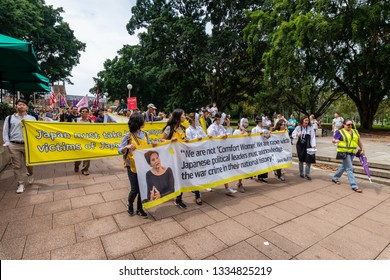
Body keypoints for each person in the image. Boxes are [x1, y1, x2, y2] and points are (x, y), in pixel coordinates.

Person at [118, 113, 152, 218]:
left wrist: (154, 145)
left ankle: (140, 208)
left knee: (143, 187)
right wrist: (127, 147)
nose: (145, 122)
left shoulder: (145, 134)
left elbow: (149, 146)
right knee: (135, 189)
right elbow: (119, 150)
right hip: (131, 166)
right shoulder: (128, 136)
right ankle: (130, 203)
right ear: (138, 122)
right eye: (143, 120)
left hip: (144, 166)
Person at [2, 99, 36, 193]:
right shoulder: (9, 118)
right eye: (19, 104)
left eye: (24, 105)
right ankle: (20, 183)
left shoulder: (32, 119)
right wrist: (8, 144)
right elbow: (5, 131)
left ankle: (30, 174)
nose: (21, 106)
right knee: (16, 166)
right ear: (16, 106)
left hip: (27, 145)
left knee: (29, 163)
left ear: (27, 107)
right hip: (14, 145)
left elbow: (36, 132)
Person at [161, 108, 188, 208]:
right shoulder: (170, 128)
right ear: (178, 117)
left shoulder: (183, 128)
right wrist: (170, 140)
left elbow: (183, 140)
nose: (185, 116)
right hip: (172, 157)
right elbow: (161, 140)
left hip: (182, 156)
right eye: (183, 115)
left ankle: (179, 199)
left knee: (181, 177)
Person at [207, 112, 237, 194]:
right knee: (213, 169)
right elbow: (210, 138)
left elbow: (228, 134)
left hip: (222, 151)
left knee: (224, 169)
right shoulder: (211, 127)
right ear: (217, 119)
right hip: (214, 152)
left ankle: (227, 188)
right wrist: (220, 137)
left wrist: (228, 127)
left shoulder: (221, 126)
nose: (223, 121)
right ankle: (208, 185)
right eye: (222, 119)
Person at [331, 119, 364, 193]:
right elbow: (333, 140)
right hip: (344, 152)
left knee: (343, 166)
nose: (350, 126)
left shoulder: (355, 131)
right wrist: (336, 141)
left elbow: (359, 141)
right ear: (344, 125)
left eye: (351, 124)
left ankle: (335, 178)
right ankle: (354, 186)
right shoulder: (340, 132)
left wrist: (362, 149)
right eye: (348, 124)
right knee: (349, 168)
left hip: (352, 152)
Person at [292, 116, 316, 180]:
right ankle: (301, 172)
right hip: (300, 146)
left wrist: (313, 145)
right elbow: (293, 134)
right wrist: (297, 134)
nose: (306, 122)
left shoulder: (310, 128)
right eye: (305, 120)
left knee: (309, 159)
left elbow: (313, 137)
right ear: (302, 121)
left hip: (308, 145)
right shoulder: (298, 128)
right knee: (301, 159)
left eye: (307, 120)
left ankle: (307, 174)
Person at [73, 107, 93, 175]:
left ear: (88, 113)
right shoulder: (75, 120)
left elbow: (94, 131)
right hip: (78, 141)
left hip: (87, 141)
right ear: (80, 112)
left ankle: (85, 169)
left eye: (85, 111)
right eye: (82, 111)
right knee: (78, 157)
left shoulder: (91, 122)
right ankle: (76, 165)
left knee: (87, 156)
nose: (84, 112)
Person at [233, 118, 250, 193]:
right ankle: (239, 183)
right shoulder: (236, 132)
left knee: (242, 169)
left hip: (244, 153)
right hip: (238, 153)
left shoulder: (246, 132)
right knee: (239, 169)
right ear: (238, 124)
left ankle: (239, 182)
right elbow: (234, 140)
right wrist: (241, 134)